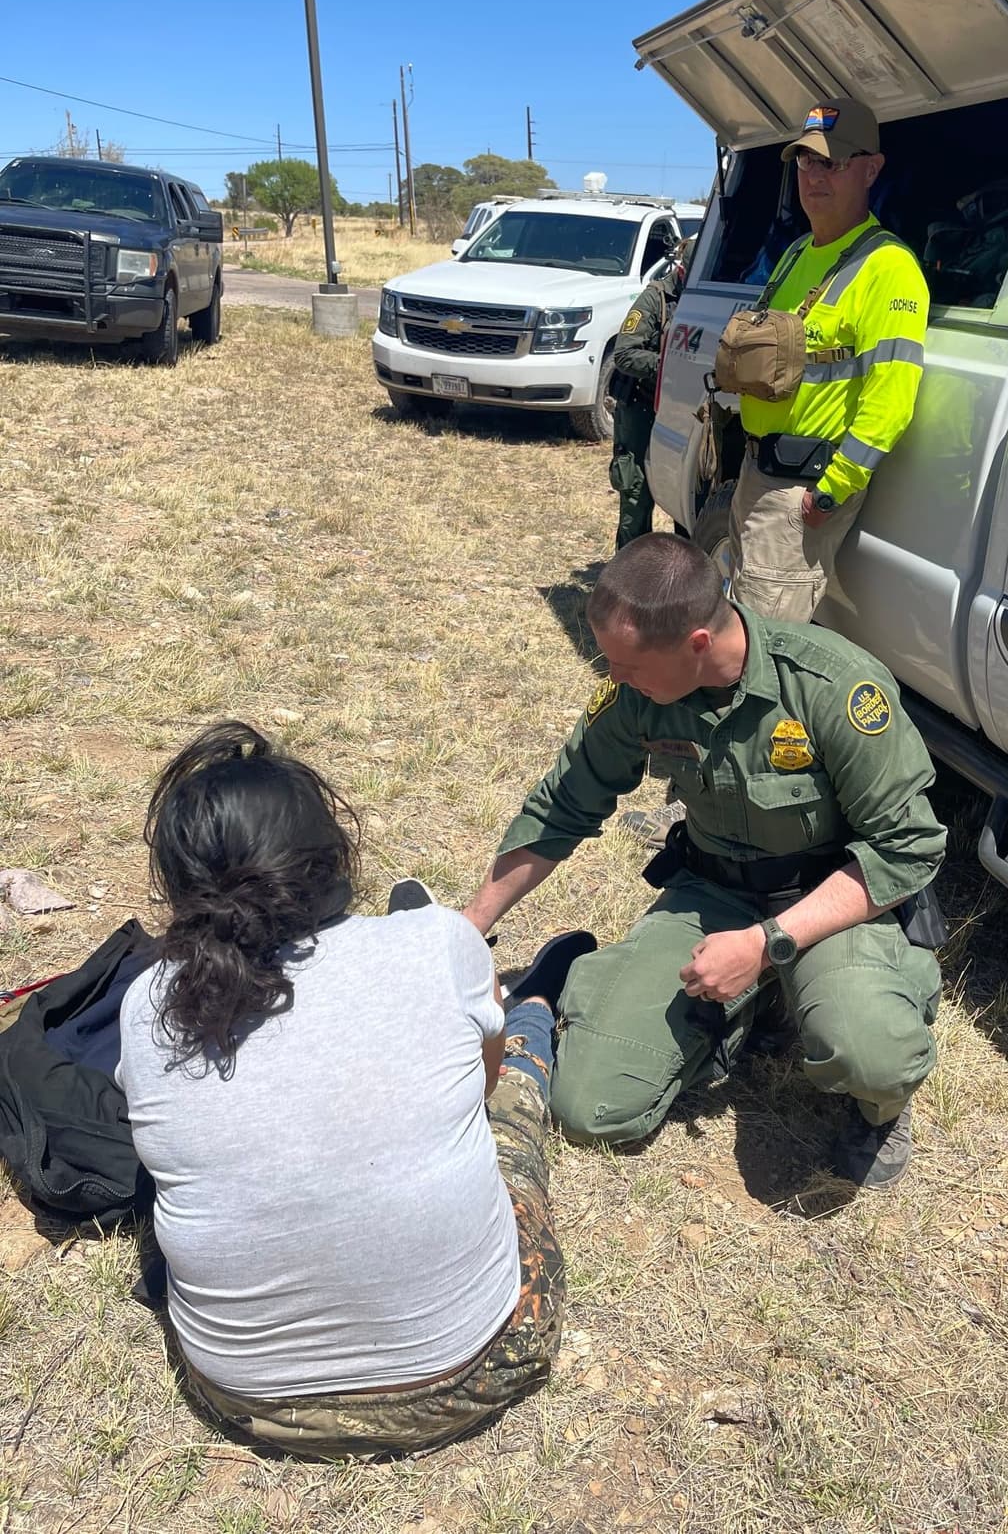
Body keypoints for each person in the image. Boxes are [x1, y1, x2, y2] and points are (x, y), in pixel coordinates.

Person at [115, 722, 565, 1458]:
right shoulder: (442, 941)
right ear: (331, 854)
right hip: (474, 1368)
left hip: (249, 1400)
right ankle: (538, 1012)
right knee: (510, 1121)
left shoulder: (149, 1003)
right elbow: (479, 1091)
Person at [464, 534, 946, 1188]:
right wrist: (469, 924)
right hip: (712, 891)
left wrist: (766, 942)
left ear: (696, 643)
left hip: (829, 902)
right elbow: (563, 805)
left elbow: (905, 849)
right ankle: (740, 1011)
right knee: (589, 1106)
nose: (615, 678)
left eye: (626, 664)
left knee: (871, 1052)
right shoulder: (639, 691)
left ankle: (875, 1102)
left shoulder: (833, 687)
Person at [728, 97, 930, 622]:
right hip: (755, 472)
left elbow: (891, 401)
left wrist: (829, 494)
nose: (814, 176)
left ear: (871, 169)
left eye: (832, 163)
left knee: (762, 644)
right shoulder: (796, 252)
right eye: (805, 161)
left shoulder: (890, 268)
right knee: (741, 622)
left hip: (802, 490)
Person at [608, 238, 691, 552]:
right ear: (682, 270)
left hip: (680, 411)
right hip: (641, 408)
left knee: (685, 495)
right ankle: (629, 575)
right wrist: (671, 366)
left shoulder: (699, 301)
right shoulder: (655, 298)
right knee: (636, 491)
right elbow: (625, 354)